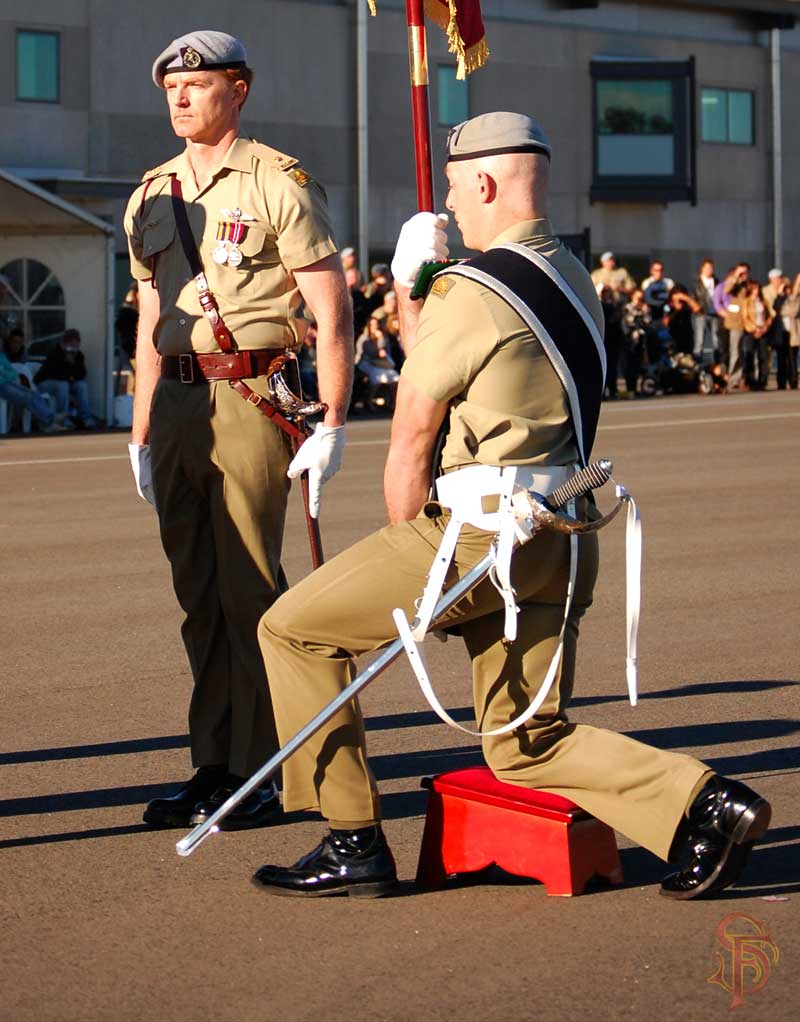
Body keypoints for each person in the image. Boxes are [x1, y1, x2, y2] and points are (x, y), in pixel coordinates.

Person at [249, 111, 770, 900]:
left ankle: (351, 836)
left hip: (469, 542)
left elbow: (412, 438)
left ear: (485, 182)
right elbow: (476, 357)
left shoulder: (468, 289)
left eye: (457, 188)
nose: (452, 204)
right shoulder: (570, 274)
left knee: (289, 629)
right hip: (560, 533)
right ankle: (704, 804)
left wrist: (413, 583)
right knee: (526, 742)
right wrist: (420, 289)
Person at [123, 30, 353, 831]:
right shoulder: (151, 192)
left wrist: (329, 419)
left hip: (251, 394)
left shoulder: (277, 182)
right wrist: (141, 428)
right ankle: (213, 762)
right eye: (170, 87)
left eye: (197, 83)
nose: (180, 97)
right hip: (180, 406)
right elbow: (152, 315)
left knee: (250, 588)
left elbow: (332, 315)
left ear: (239, 88)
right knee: (197, 596)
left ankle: (260, 769)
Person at [34, 328, 96, 427]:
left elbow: (82, 374)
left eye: (76, 345)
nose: (74, 348)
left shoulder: (78, 356)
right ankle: (63, 418)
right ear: (64, 343)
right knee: (63, 385)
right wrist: (65, 362)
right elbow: (54, 374)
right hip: (45, 383)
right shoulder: (55, 354)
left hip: (66, 382)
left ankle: (86, 418)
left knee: (81, 385)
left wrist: (72, 366)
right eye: (71, 344)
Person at [0, 350, 58, 431]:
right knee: (26, 397)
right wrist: (5, 374)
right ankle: (49, 422)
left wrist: (5, 375)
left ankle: (50, 419)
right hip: (2, 386)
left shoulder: (1, 356)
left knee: (33, 394)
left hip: (8, 382)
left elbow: (12, 372)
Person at [692, 259, 718, 363]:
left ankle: (717, 363)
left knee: (716, 340)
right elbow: (693, 296)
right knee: (700, 339)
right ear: (702, 268)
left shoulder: (715, 281)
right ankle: (698, 363)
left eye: (711, 268)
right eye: (707, 268)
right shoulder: (697, 282)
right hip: (701, 313)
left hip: (714, 313)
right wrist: (696, 307)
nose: (709, 270)